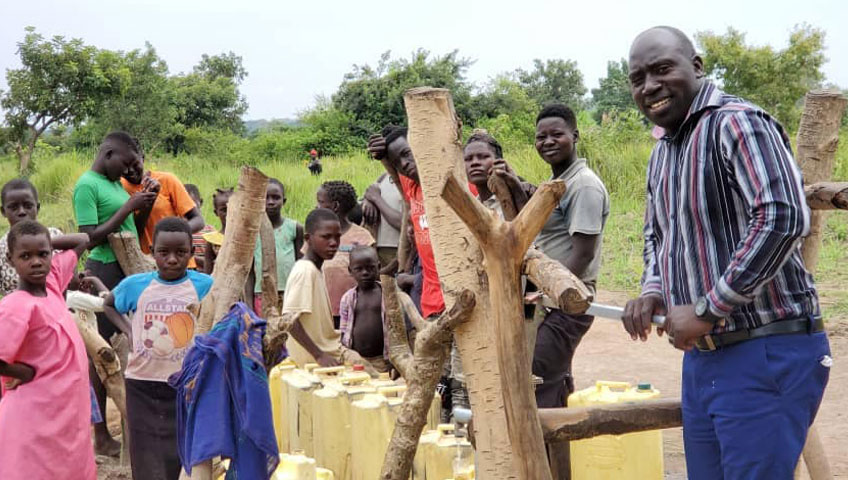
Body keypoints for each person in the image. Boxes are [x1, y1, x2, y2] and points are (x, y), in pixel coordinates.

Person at [621, 26, 829, 479]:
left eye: (661, 69)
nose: (649, 86)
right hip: (705, 357)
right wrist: (654, 290)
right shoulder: (664, 150)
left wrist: (709, 308)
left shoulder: (736, 122)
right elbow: (659, 234)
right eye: (637, 78)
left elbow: (783, 217)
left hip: (765, 351)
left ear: (695, 67)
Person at [104, 217, 213, 480]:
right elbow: (109, 304)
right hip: (142, 384)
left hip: (185, 384)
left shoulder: (204, 286)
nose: (173, 259)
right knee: (146, 453)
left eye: (181, 253)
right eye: (164, 253)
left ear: (191, 252)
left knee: (180, 451)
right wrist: (129, 330)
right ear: (152, 252)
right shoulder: (136, 285)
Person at [73, 130, 157, 455]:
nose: (126, 170)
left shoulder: (114, 185)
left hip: (127, 268)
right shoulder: (87, 185)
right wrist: (129, 206)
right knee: (102, 355)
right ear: (108, 154)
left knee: (127, 346)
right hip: (103, 269)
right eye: (125, 162)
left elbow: (130, 231)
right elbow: (88, 238)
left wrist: (143, 203)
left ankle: (126, 427)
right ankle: (101, 434)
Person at [0, 221, 96, 480]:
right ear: (11, 260)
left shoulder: (52, 285)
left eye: (42, 254)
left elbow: (82, 240)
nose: (35, 262)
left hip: (65, 414)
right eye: (25, 256)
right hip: (34, 418)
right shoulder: (15, 306)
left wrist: (42, 241)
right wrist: (23, 371)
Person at [532, 104, 609, 409]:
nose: (548, 142)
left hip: (567, 301)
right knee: (554, 379)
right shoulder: (560, 182)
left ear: (574, 136)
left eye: (556, 134)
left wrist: (550, 294)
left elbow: (583, 252)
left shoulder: (584, 185)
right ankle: (560, 454)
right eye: (541, 137)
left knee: (540, 380)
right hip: (552, 300)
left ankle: (548, 454)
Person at [282, 208, 376, 373]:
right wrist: (319, 355)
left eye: (337, 237)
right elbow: (289, 321)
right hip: (317, 359)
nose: (333, 243)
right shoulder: (305, 271)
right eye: (326, 237)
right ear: (308, 239)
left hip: (332, 350)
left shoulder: (317, 269)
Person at [368, 126, 445, 319]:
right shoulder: (412, 186)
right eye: (398, 162)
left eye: (407, 154)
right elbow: (394, 172)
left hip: (455, 297)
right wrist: (383, 156)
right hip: (430, 299)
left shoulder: (451, 182)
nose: (405, 164)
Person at [121, 147, 205, 256]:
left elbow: (198, 220)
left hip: (178, 260)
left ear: (143, 158)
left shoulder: (167, 180)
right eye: (124, 165)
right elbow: (134, 231)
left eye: (135, 164)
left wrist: (171, 237)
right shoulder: (118, 188)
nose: (130, 170)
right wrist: (150, 199)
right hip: (142, 262)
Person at [315, 180, 375, 327]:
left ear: (334, 206)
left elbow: (373, 271)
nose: (317, 207)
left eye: (320, 202)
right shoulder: (316, 234)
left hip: (356, 308)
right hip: (324, 308)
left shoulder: (362, 236)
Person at [247, 178, 304, 312]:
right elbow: (249, 272)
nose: (270, 202)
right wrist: (248, 305)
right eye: (265, 198)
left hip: (289, 293)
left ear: (284, 201)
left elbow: (301, 264)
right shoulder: (252, 231)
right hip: (262, 294)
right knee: (266, 330)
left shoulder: (294, 228)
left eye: (276, 198)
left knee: (289, 331)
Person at [0, 178, 64, 296]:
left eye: (28, 206)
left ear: (37, 207)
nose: (22, 212)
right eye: (14, 207)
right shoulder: (1, 248)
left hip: (57, 307)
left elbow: (71, 277)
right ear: (3, 211)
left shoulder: (55, 235)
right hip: (18, 311)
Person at [339, 246, 391, 373]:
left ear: (378, 267)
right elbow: (344, 330)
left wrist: (394, 361)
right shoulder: (347, 298)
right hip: (356, 360)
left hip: (382, 361)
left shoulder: (388, 296)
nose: (365, 273)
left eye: (370, 268)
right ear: (350, 271)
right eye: (359, 269)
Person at [361, 173, 404, 267]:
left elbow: (405, 224)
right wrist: (368, 200)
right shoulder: (385, 176)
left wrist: (376, 198)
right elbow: (370, 192)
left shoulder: (411, 179)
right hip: (378, 250)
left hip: (399, 251)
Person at [184, 184, 216, 271]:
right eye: (184, 205)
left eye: (191, 204)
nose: (188, 209)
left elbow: (215, 263)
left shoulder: (210, 232)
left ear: (200, 202)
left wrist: (191, 259)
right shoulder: (175, 231)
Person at [202, 188, 233, 275]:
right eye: (224, 210)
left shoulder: (246, 238)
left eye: (233, 208)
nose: (229, 213)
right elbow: (207, 270)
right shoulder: (212, 240)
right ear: (216, 212)